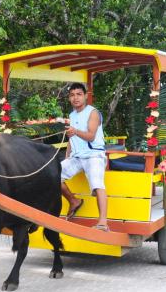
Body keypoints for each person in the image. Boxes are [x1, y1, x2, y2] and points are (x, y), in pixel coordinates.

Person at [60, 83, 109, 232]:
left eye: (79, 94)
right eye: (72, 95)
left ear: (86, 96)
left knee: (97, 184)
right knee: (53, 175)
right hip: (77, 157)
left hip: (94, 155)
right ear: (69, 98)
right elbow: (71, 138)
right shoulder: (72, 115)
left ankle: (102, 222)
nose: (75, 98)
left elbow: (91, 136)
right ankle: (74, 201)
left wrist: (74, 131)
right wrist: (67, 157)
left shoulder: (93, 112)